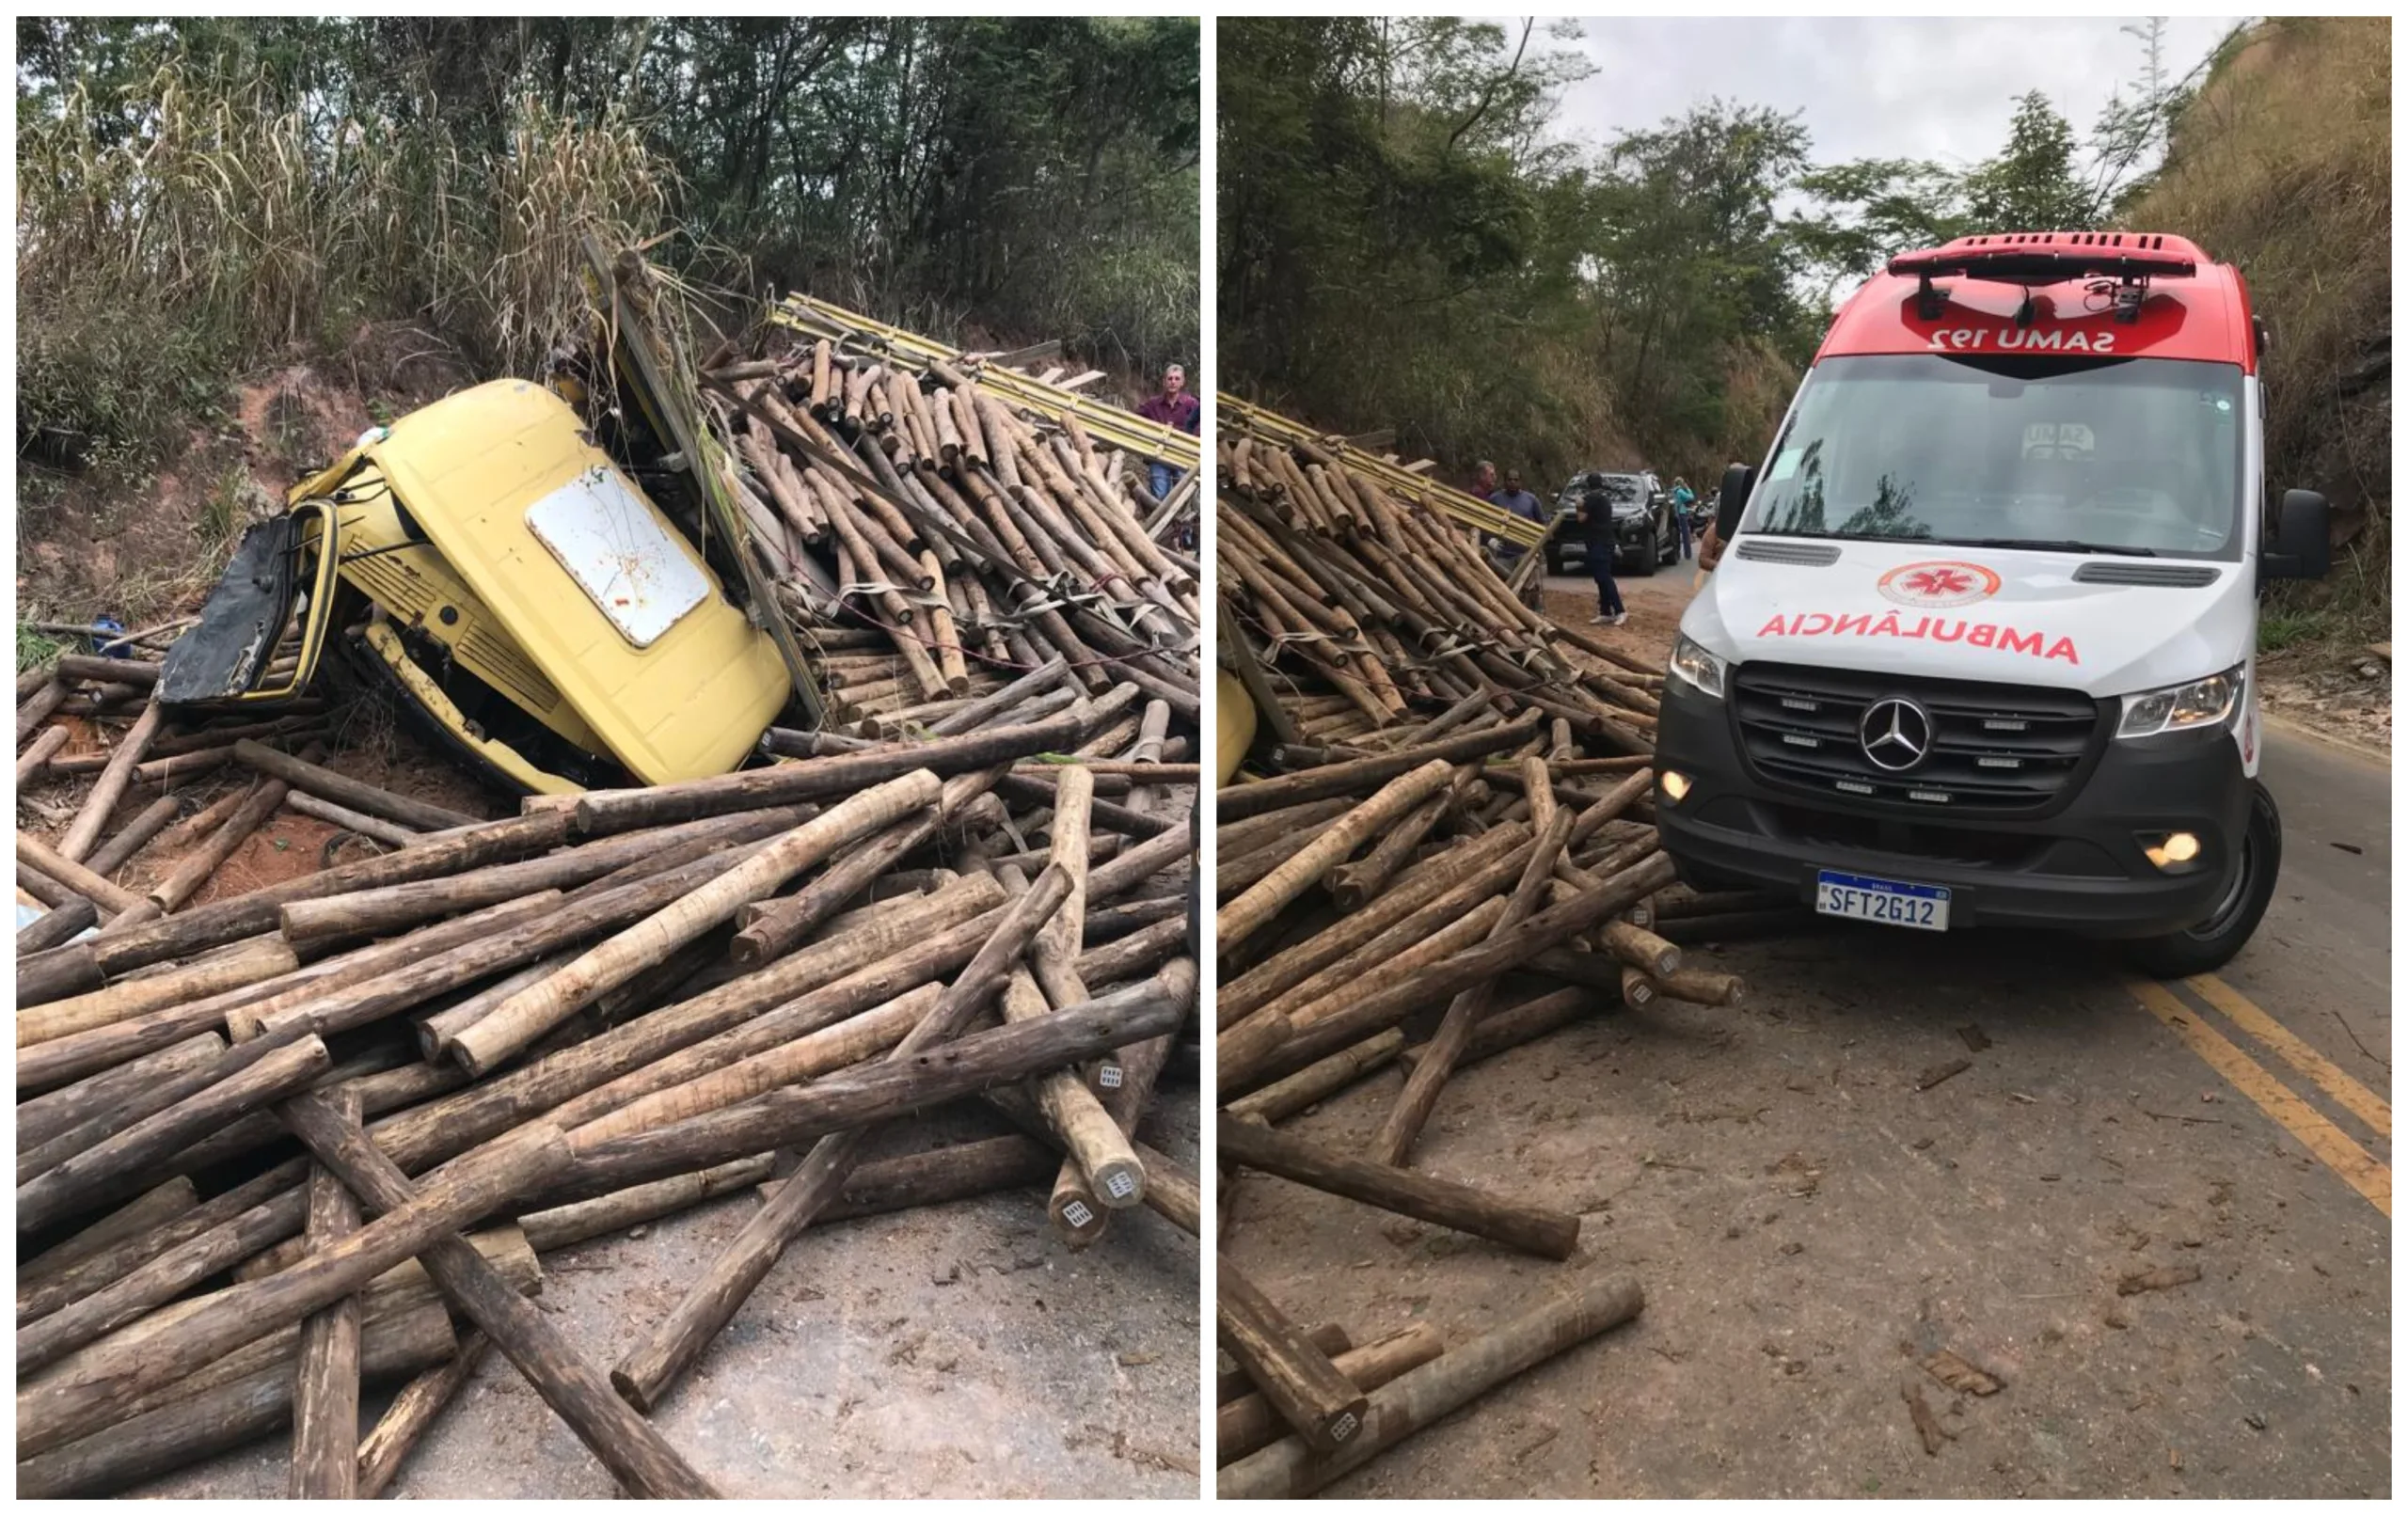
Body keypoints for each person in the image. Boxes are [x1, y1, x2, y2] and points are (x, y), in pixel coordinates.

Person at [1136, 363, 1199, 499]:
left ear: (1182, 382)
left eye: (1177, 379)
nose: (1173, 382)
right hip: (1158, 454)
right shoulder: (1153, 404)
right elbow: (1136, 420)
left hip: (1184, 455)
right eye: (1170, 378)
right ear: (1164, 381)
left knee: (1183, 494)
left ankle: (1182, 520)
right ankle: (1160, 519)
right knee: (1159, 495)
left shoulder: (1191, 404)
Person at [1486, 468, 1546, 607]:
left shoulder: (1531, 499)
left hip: (1525, 552)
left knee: (1531, 588)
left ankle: (1534, 615)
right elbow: (1485, 521)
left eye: (1516, 480)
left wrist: (1538, 546)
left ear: (1521, 482)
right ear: (1504, 481)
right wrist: (1490, 539)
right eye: (1510, 480)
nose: (1513, 483)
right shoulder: (1495, 499)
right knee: (1503, 587)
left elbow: (1543, 524)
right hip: (1503, 554)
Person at [1576, 471, 1626, 625]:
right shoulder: (1604, 498)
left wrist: (1578, 504)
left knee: (1604, 577)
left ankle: (1620, 610)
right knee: (1601, 577)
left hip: (1598, 543)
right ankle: (1605, 611)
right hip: (1605, 541)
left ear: (1588, 485)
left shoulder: (1591, 498)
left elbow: (1581, 518)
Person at [1670, 476, 1697, 560]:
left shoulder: (1673, 492)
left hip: (1674, 514)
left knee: (1676, 534)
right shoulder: (1680, 491)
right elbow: (1691, 497)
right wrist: (1688, 489)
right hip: (1682, 513)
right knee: (1685, 534)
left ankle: (1676, 553)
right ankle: (1687, 554)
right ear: (1681, 483)